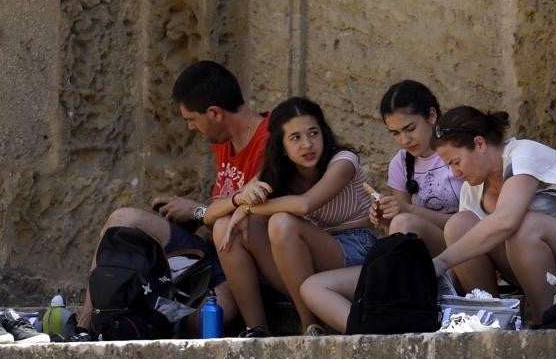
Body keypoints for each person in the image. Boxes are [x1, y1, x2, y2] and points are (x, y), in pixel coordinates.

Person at [77, 60, 268, 333]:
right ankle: (87, 327)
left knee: (209, 319)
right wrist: (191, 215)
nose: (191, 128)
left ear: (214, 113)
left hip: (239, 263)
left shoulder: (270, 140)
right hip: (208, 251)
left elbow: (253, 213)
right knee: (123, 219)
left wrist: (197, 211)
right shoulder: (223, 140)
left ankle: (146, 314)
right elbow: (223, 202)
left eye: (192, 120)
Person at [429, 106, 556, 327]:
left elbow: (507, 220)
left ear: (479, 143)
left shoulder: (524, 154)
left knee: (523, 225)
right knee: (459, 225)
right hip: (537, 270)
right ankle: (489, 320)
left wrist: (441, 261)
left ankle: (544, 321)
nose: (454, 173)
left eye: (456, 162)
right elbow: (469, 246)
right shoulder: (472, 188)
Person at [300, 80, 464, 333]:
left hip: (461, 256)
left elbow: (471, 223)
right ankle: (367, 334)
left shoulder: (457, 150)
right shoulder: (401, 163)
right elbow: (401, 235)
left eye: (410, 128)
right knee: (312, 287)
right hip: (417, 267)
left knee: (405, 223)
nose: (405, 139)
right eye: (396, 133)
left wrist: (406, 211)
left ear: (432, 115)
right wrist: (384, 217)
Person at [214, 96, 375, 336]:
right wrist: (240, 200)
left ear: (324, 134)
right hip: (303, 263)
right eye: (295, 138)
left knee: (281, 222)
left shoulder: (343, 161)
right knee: (224, 227)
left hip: (355, 251)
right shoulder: (279, 172)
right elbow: (209, 215)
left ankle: (309, 325)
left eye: (313, 133)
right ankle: (257, 330)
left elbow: (304, 205)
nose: (307, 145)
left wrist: (247, 208)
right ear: (282, 147)